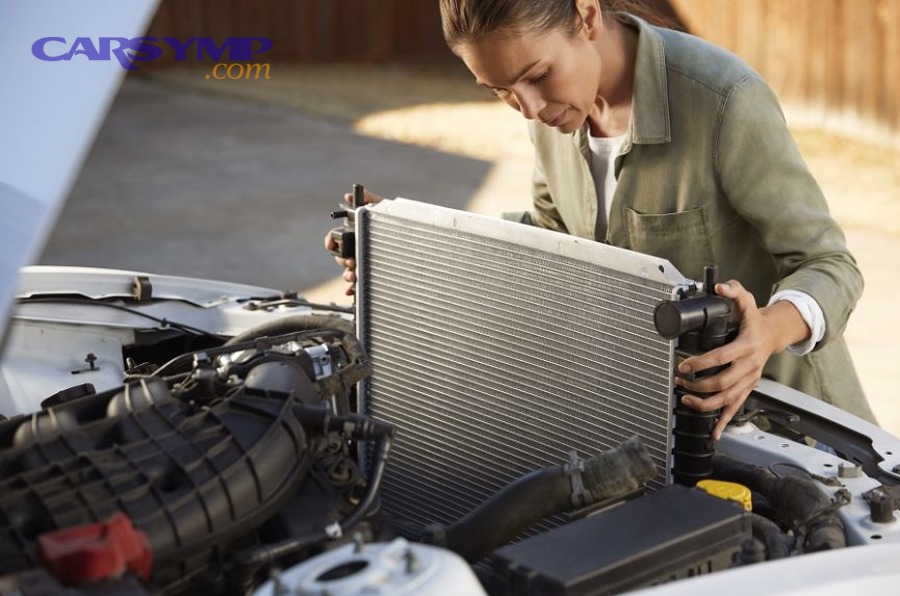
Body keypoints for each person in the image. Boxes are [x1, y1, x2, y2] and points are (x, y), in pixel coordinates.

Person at [325, 0, 877, 440]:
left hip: (801, 430)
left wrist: (767, 333)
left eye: (537, 76)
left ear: (585, 15)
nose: (529, 109)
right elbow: (554, 239)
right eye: (500, 91)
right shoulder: (551, 110)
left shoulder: (724, 100)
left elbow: (829, 264)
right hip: (670, 421)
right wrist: (410, 244)